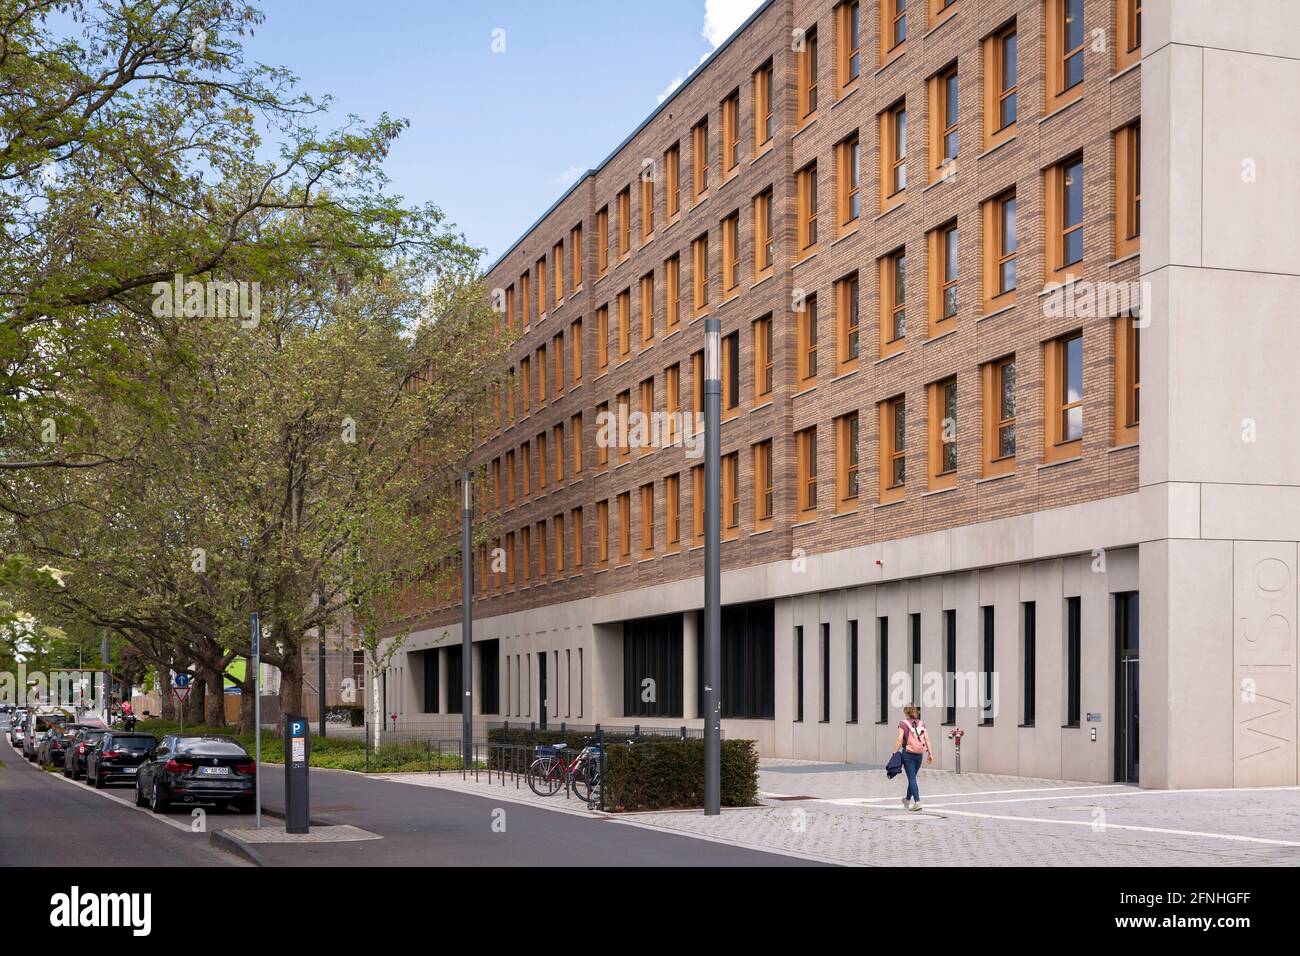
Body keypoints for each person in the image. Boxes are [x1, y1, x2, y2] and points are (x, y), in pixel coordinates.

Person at [894, 704, 933, 811]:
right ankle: (907, 800)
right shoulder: (921, 723)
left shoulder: (903, 723)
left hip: (908, 754)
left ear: (906, 713)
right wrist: (930, 754)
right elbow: (927, 740)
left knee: (912, 779)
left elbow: (899, 739)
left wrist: (894, 753)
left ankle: (917, 802)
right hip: (919, 754)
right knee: (913, 779)